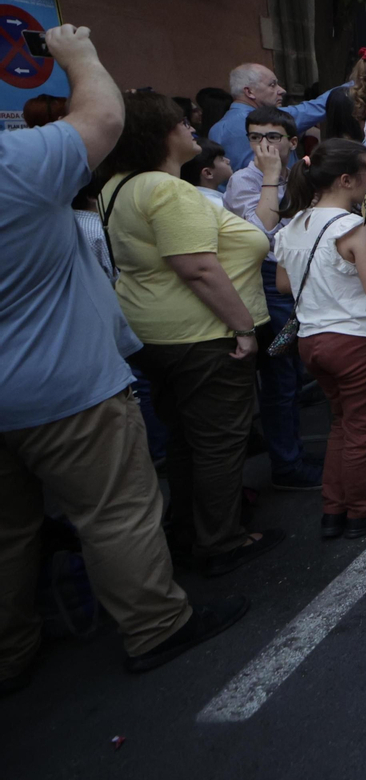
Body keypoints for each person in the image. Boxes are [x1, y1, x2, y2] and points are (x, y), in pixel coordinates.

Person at [2, 24, 248, 694]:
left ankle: (11, 647)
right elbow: (103, 117)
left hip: (105, 355)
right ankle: (155, 624)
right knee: (116, 510)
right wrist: (77, 54)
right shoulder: (16, 167)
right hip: (63, 384)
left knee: (9, 532)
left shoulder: (110, 189)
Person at [99, 92, 281, 575]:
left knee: (185, 439)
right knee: (219, 441)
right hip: (201, 336)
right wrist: (243, 328)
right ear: (160, 135)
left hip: (156, 333)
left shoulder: (118, 185)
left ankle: (188, 529)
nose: (193, 129)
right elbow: (198, 268)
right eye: (182, 123)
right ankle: (221, 540)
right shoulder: (168, 190)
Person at [276, 139, 366, 541]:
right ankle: (364, 509)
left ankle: (333, 508)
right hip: (356, 340)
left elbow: (284, 284)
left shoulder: (296, 223)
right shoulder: (355, 228)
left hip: (312, 341)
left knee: (341, 423)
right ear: (346, 179)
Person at [222, 105, 323, 491]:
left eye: (273, 138)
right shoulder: (245, 181)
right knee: (279, 373)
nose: (263, 146)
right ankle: (287, 464)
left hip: (303, 275)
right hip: (268, 279)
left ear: (292, 141)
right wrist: (270, 176)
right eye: (255, 138)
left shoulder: (302, 172)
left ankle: (293, 450)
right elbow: (261, 232)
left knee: (297, 369)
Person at [210, 62, 345, 167]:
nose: (282, 90)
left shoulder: (215, 130)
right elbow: (320, 106)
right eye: (272, 85)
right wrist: (360, 82)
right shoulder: (269, 121)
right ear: (249, 92)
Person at [178, 138, 232, 209]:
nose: (228, 161)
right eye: (221, 159)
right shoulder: (218, 205)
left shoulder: (190, 198)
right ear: (208, 173)